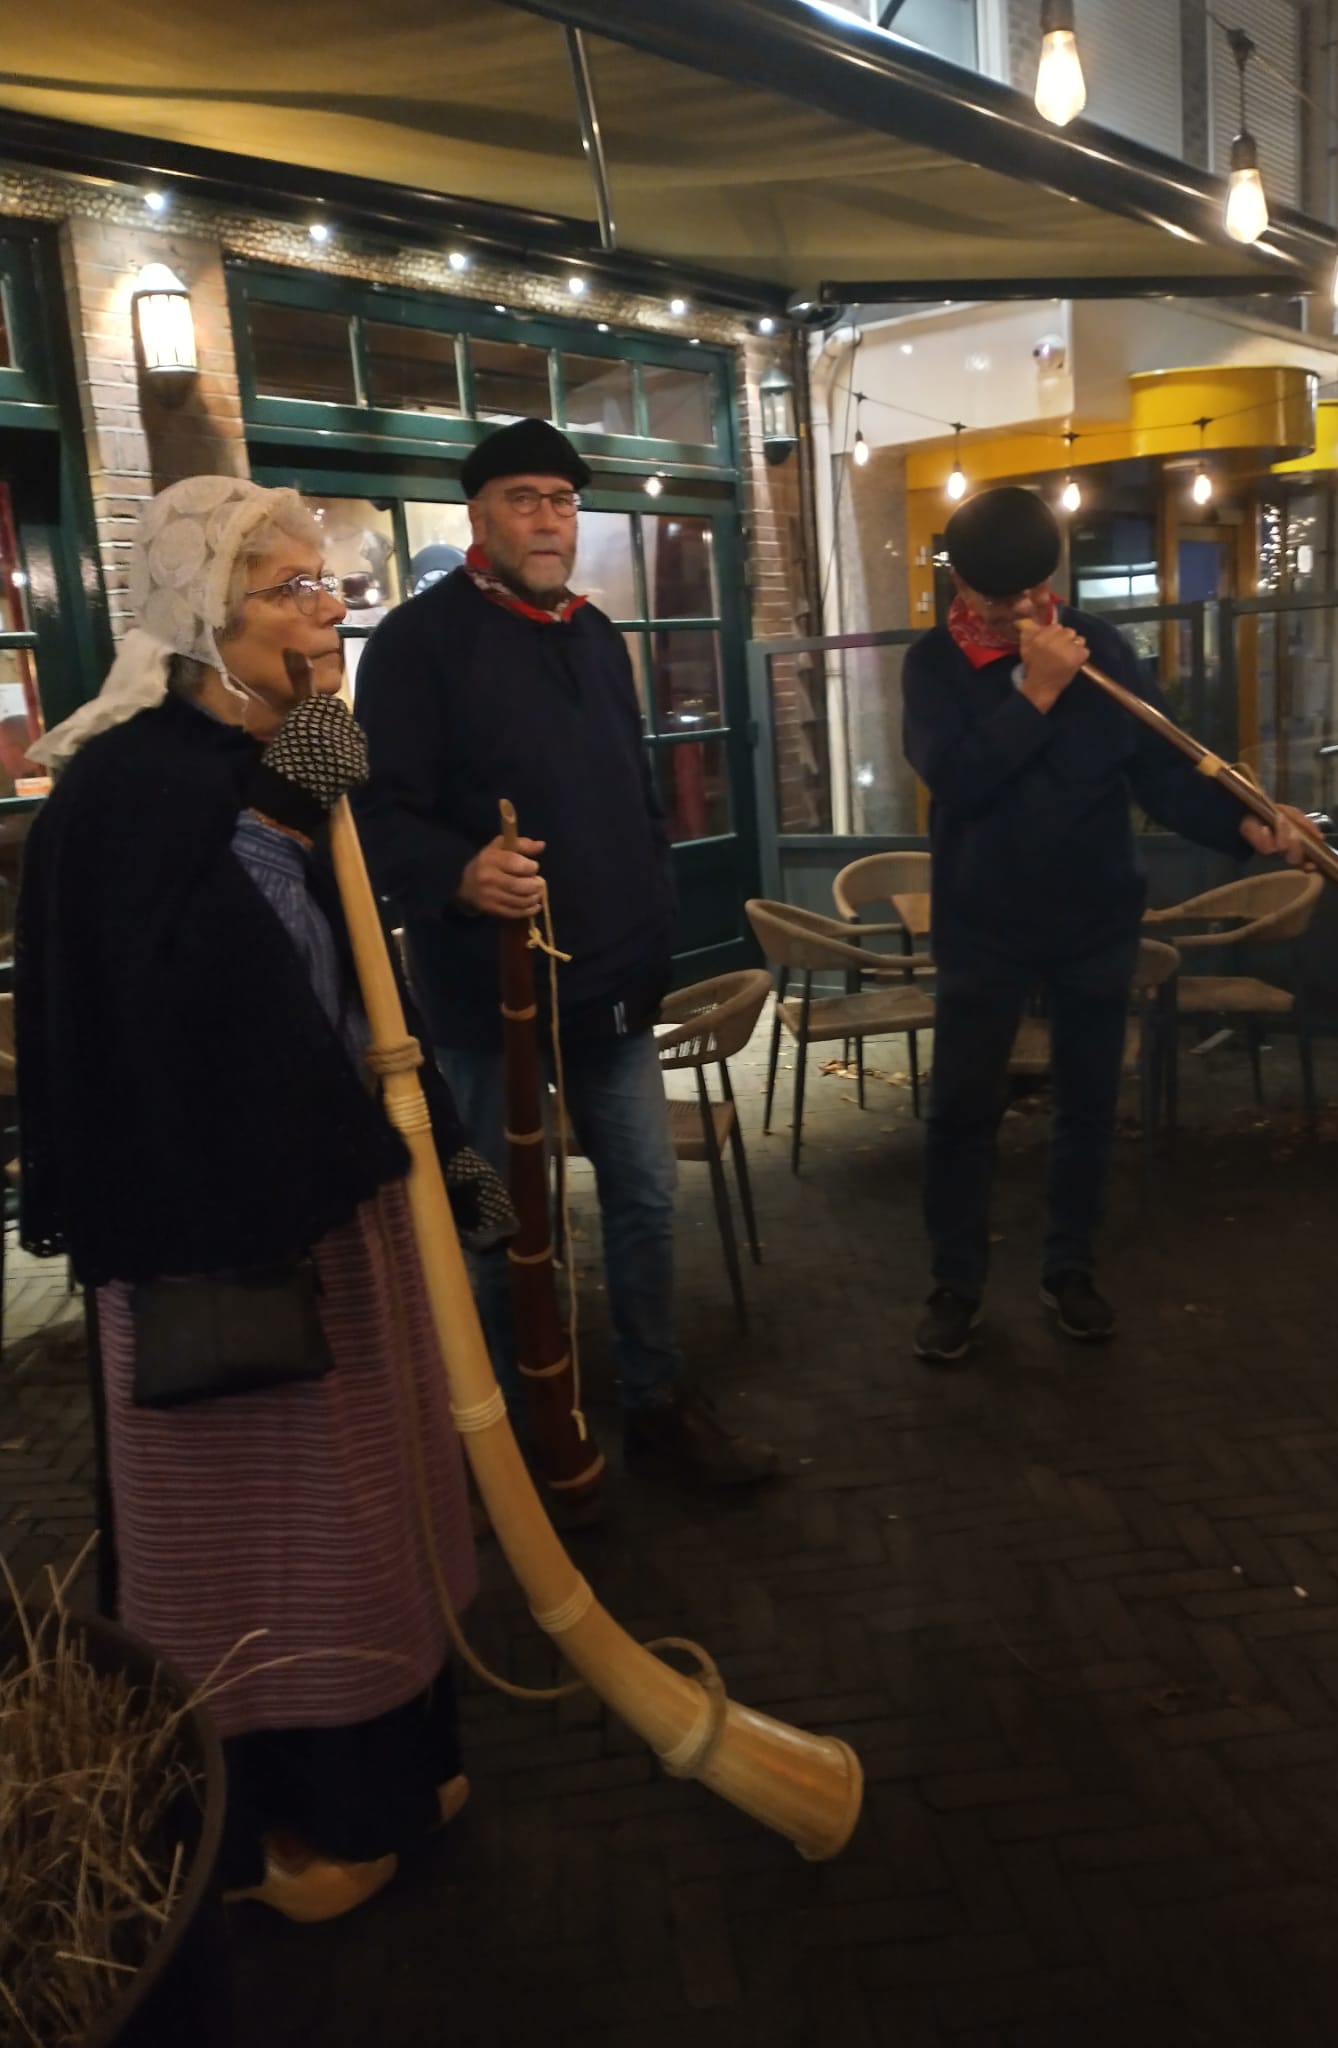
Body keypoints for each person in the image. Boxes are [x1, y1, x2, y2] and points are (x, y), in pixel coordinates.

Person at [15, 477, 515, 1923]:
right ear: (201, 618)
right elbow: (188, 1019)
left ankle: (402, 1775)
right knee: (271, 1537)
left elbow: (351, 979)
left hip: (334, 1204)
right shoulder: (131, 789)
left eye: (328, 582)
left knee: (372, 1510)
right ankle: (312, 1817)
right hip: (216, 1242)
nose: (327, 608)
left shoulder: (282, 757)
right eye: (288, 588)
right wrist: (281, 830)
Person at [352, 419, 775, 1488]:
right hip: (483, 990)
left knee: (641, 1194)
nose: (550, 518)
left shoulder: (593, 633)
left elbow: (630, 794)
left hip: (614, 982)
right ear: (480, 516)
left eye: (563, 500)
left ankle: (655, 1399)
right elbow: (375, 811)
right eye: (526, 498)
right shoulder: (416, 642)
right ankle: (520, 1421)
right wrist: (458, 873)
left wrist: (656, 915)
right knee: (505, 1213)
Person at [903, 486, 1310, 1361]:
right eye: (996, 601)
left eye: (1031, 596)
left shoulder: (1104, 649)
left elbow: (1161, 772)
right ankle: (955, 1284)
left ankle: (1069, 1269)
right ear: (961, 588)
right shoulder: (933, 666)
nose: (1018, 615)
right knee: (962, 1112)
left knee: (1088, 1106)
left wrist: (1246, 825)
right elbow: (961, 780)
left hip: (1093, 916)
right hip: (983, 925)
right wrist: (1035, 694)